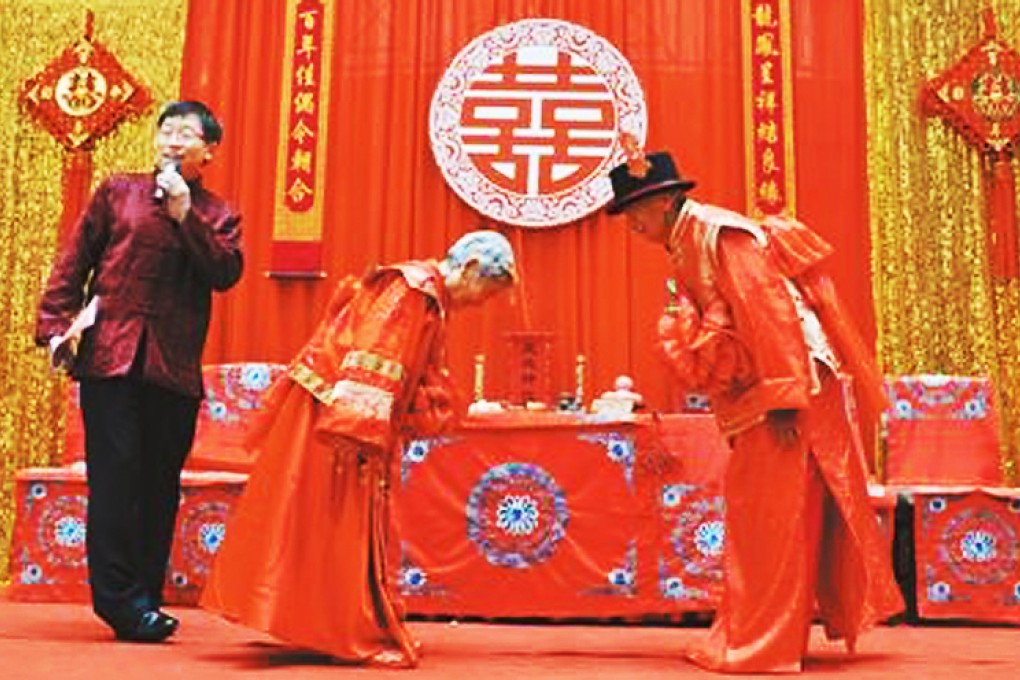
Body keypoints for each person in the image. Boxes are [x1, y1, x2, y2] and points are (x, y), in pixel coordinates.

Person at [606, 145, 904, 673]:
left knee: (773, 519)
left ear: (668, 200)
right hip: (774, 389)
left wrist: (786, 396)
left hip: (791, 387)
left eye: (635, 209)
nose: (630, 222)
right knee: (758, 516)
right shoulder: (686, 243)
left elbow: (770, 312)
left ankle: (762, 646)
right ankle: (752, 634)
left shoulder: (721, 235)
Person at [200, 231, 517, 668]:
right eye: (486, 292)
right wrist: (358, 429)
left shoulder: (426, 293)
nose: (480, 304)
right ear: (472, 269)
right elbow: (375, 357)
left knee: (334, 520)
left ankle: (335, 621)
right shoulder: (413, 290)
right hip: (337, 416)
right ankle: (343, 630)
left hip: (342, 411)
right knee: (335, 520)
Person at [34, 100, 243, 642]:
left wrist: (184, 216)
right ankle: (120, 603)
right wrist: (56, 326)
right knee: (115, 478)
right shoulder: (116, 193)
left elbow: (224, 273)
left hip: (172, 369)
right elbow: (74, 260)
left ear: (208, 152)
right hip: (110, 357)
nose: (173, 141)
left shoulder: (217, 214)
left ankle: (143, 599)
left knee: (157, 486)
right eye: (166, 131)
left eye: (186, 134)